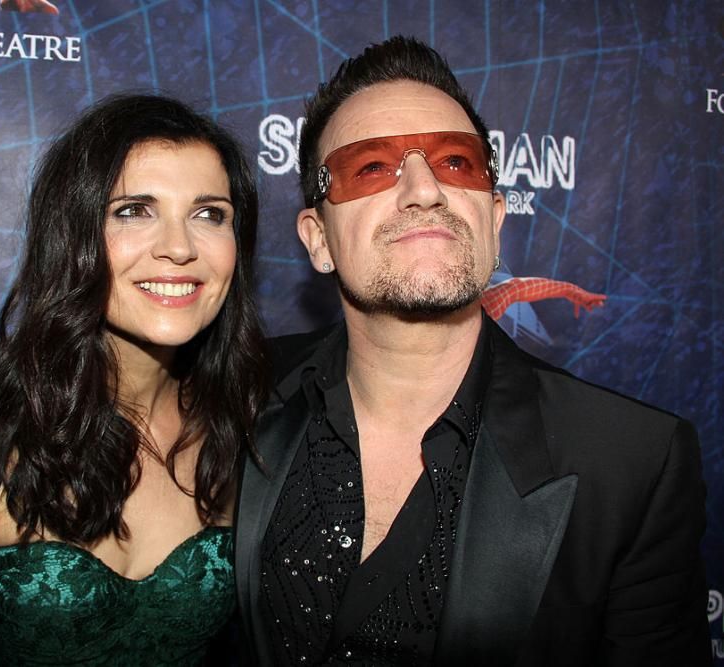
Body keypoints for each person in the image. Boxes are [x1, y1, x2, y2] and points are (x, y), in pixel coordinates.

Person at [234, 37, 710, 666]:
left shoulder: (631, 463)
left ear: (496, 218)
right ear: (318, 239)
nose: (424, 189)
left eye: (457, 161)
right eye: (370, 166)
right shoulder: (234, 394)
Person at [0, 94, 268, 665]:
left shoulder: (247, 426)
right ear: (73, 233)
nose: (179, 248)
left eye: (210, 214)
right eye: (133, 210)